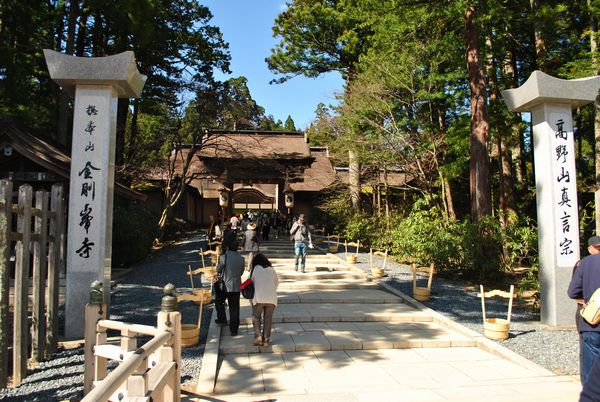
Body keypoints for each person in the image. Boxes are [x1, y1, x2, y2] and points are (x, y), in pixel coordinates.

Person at [568, 235, 600, 385]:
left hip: (591, 320)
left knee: (589, 358)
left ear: (589, 249)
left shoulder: (583, 264)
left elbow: (572, 292)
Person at [214, 243, 245, 336]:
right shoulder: (241, 258)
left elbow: (218, 269)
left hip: (225, 286)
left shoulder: (224, 257)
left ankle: (222, 319)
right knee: (234, 308)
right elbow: (241, 272)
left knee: (219, 301)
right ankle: (234, 330)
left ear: (227, 248)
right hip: (236, 287)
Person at [250, 253, 278, 346]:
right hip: (271, 298)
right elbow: (276, 283)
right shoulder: (272, 270)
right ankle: (266, 340)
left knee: (256, 317)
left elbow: (251, 282)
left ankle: (258, 336)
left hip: (259, 297)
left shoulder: (256, 269)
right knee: (268, 319)